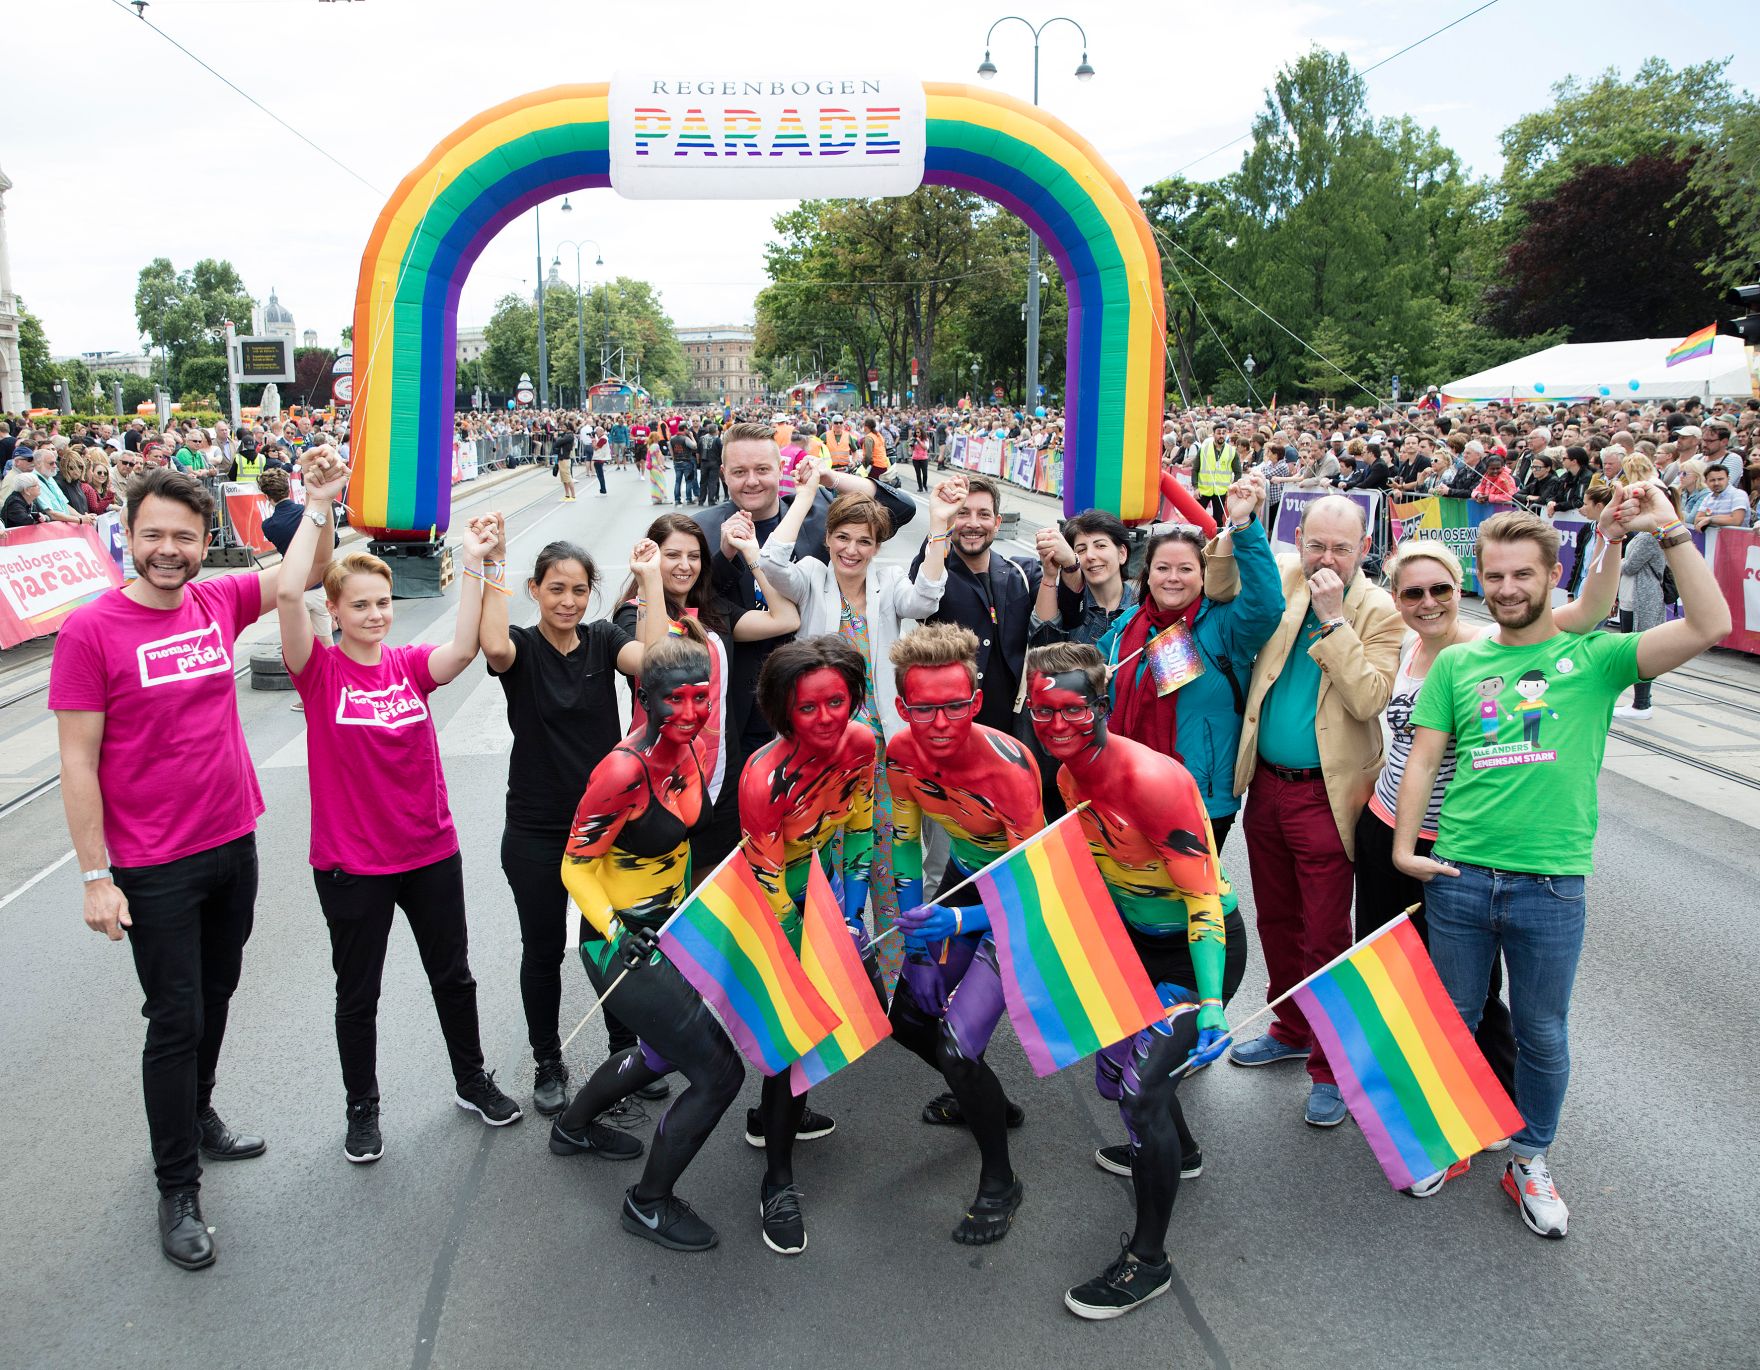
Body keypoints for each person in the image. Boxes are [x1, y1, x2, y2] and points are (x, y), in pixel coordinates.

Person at [1394, 499, 1730, 1235]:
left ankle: (1530, 1158)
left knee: (1542, 1031)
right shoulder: (1460, 659)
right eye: (1495, 575)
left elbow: (1711, 625)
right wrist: (1405, 849)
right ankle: (1452, 1136)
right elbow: (1424, 758)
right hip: (1459, 875)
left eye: (1523, 573)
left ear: (1554, 575)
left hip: (1551, 883)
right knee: (1454, 1019)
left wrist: (1670, 527)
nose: (1508, 587)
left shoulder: (1597, 659)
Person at [50, 458, 339, 1271]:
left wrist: (318, 502)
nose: (169, 550)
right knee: (173, 1019)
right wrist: (94, 876)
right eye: (153, 536)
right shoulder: (91, 632)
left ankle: (200, 1114)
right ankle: (176, 1186)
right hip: (151, 864)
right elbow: (77, 762)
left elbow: (307, 570)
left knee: (216, 995)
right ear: (127, 538)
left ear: (205, 540)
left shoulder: (217, 598)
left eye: (184, 536)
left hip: (230, 841)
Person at [278, 502, 522, 1166]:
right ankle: (363, 1109)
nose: (376, 614)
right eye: (359, 605)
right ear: (335, 611)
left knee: (455, 976)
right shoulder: (318, 671)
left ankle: (471, 1081)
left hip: (429, 852)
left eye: (382, 602)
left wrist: (475, 562)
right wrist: (316, 505)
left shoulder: (408, 667)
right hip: (352, 867)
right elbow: (284, 591)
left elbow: (466, 648)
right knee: (358, 995)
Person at [1022, 643, 1245, 1321]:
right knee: (1119, 1080)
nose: (1056, 723)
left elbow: (1204, 900)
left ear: (1102, 707)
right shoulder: (1066, 773)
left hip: (1193, 954)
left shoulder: (1155, 781)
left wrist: (1210, 1008)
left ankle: (1147, 1262)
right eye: (1042, 710)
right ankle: (1186, 1153)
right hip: (1133, 948)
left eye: (1072, 709)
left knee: (1142, 1095)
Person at [551, 621, 743, 1252]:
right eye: (673, 699)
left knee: (663, 1054)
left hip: (670, 932)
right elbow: (574, 864)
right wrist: (616, 931)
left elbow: (679, 846)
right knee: (718, 1075)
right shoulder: (621, 771)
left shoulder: (687, 750)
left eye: (700, 697)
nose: (689, 711)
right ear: (645, 696)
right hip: (621, 947)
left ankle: (573, 1127)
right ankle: (649, 1203)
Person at [1225, 495, 1402, 1127]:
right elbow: (1221, 581)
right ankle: (1292, 1025)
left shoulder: (1379, 610)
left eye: (1341, 548)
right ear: (1299, 540)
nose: (1326, 559)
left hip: (1327, 796)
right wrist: (1239, 524)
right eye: (1316, 545)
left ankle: (1332, 1066)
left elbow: (1369, 699)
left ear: (1364, 548)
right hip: (1267, 786)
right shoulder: (1285, 578)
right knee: (1276, 917)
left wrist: (1334, 622)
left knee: (1328, 935)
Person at [478, 527, 667, 1114]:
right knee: (542, 951)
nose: (568, 601)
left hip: (604, 828)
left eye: (579, 590)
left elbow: (656, 660)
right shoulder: (519, 646)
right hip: (535, 829)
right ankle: (547, 1060)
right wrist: (490, 566)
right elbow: (491, 646)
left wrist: (652, 578)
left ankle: (622, 1051)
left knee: (609, 944)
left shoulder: (604, 639)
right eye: (555, 589)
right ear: (534, 590)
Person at [758, 463, 960, 987]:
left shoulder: (890, 581)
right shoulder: (811, 576)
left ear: (877, 546)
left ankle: (895, 986)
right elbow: (771, 558)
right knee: (828, 868)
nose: (851, 550)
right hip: (821, 757)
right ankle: (829, 976)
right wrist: (807, 490)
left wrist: (938, 526)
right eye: (842, 538)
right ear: (827, 539)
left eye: (864, 541)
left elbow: (927, 598)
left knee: (888, 867)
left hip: (882, 753)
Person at [885, 623, 1043, 1243]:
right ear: (903, 707)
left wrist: (955, 922)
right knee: (906, 1018)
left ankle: (1000, 1180)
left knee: (955, 1045)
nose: (941, 721)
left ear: (976, 701)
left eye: (955, 705)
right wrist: (918, 949)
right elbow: (903, 847)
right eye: (924, 707)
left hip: (1013, 901)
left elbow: (1031, 895)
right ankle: (987, 1100)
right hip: (960, 883)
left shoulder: (1010, 769)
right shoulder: (900, 750)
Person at [738, 635, 880, 1256]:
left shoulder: (863, 744)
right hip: (766, 902)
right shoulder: (762, 778)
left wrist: (850, 918)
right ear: (781, 711)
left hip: (821, 893)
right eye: (807, 708)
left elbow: (859, 830)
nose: (827, 720)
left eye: (838, 702)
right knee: (792, 1029)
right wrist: (807, 947)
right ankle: (777, 1180)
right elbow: (768, 883)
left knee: (803, 1034)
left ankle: (769, 1117)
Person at [1092, 475, 1283, 853]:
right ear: (1148, 574)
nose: (1173, 579)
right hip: (1128, 790)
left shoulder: (1227, 625)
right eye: (1163, 568)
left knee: (1193, 904)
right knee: (1137, 898)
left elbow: (1266, 604)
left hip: (1199, 798)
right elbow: (1093, 686)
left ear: (1203, 575)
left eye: (1185, 569)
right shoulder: (1125, 627)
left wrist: (1244, 526)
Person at [613, 512, 802, 879]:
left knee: (709, 892)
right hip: (659, 777)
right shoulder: (631, 615)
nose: (685, 566)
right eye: (672, 555)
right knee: (663, 892)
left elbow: (786, 618)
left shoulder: (716, 612)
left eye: (694, 556)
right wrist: (649, 581)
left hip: (721, 775)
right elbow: (652, 661)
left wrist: (751, 553)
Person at [1694, 463, 1750, 530]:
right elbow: (1697, 520)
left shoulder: (1738, 494)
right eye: (1712, 480)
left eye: (1720, 479)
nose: (1716, 483)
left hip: (1738, 539)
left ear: (1728, 478)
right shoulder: (1708, 497)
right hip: (1714, 539)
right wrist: (1726, 518)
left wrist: (1710, 520)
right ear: (1706, 482)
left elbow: (1736, 521)